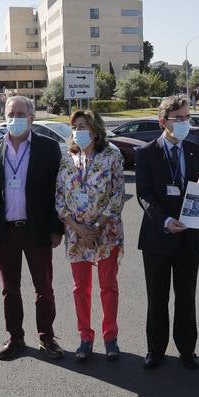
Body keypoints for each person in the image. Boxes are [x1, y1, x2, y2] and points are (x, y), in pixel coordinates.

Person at [0, 95, 65, 360]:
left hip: (36, 230)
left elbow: (56, 191)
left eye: (20, 113)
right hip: (4, 232)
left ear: (31, 117)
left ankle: (47, 338)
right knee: (9, 289)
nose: (14, 118)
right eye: (10, 113)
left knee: (44, 288)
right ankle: (15, 338)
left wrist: (56, 228)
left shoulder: (48, 148)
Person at [135, 95, 199, 370]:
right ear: (162, 121)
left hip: (189, 237)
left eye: (186, 118)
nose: (184, 123)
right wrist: (165, 220)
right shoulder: (146, 153)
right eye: (178, 119)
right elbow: (143, 195)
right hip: (158, 237)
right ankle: (155, 349)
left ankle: (187, 349)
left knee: (186, 296)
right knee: (157, 298)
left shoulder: (196, 151)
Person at [56, 109, 125, 361]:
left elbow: (118, 195)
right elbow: (59, 198)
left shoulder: (112, 156)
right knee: (80, 288)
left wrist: (96, 227)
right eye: (75, 126)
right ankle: (85, 337)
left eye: (83, 126)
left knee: (108, 287)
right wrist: (78, 228)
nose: (78, 131)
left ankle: (110, 338)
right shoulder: (67, 159)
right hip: (76, 235)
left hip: (106, 233)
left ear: (95, 130)